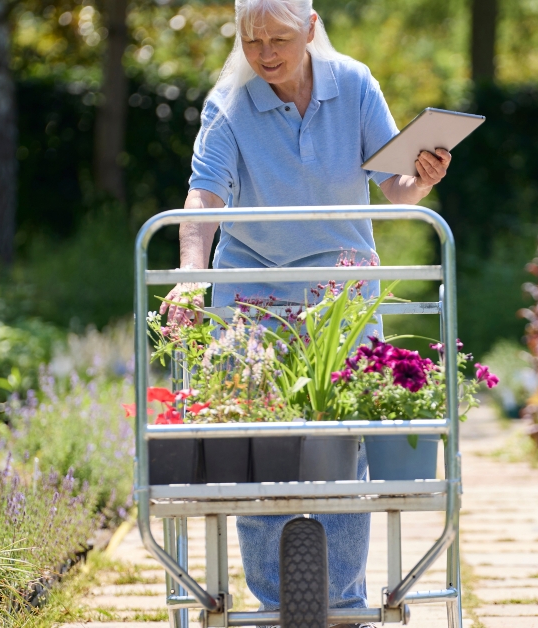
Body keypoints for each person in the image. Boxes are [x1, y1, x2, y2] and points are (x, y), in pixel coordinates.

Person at [157, 0, 452, 622]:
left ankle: (341, 604)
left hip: (340, 291)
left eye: (280, 38)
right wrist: (189, 280)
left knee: (346, 443)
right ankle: (276, 606)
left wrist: (422, 176)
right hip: (253, 292)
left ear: (311, 29)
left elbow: (394, 183)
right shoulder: (230, 102)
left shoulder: (354, 83)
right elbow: (204, 195)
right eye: (253, 37)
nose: (266, 52)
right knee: (256, 441)